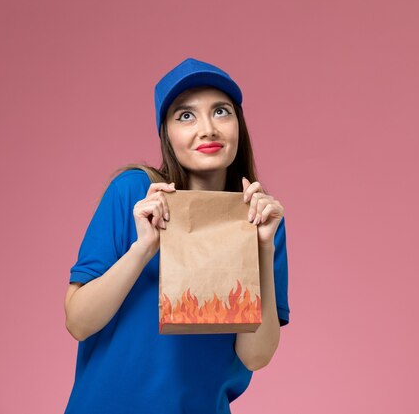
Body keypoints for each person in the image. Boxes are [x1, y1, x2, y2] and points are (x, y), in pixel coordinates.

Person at [63, 58, 290, 414]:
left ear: (238, 125)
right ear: (166, 133)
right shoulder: (135, 193)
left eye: (221, 112)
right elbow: (78, 322)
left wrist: (261, 247)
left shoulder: (260, 218)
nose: (207, 129)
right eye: (185, 116)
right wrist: (143, 248)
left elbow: (256, 355)